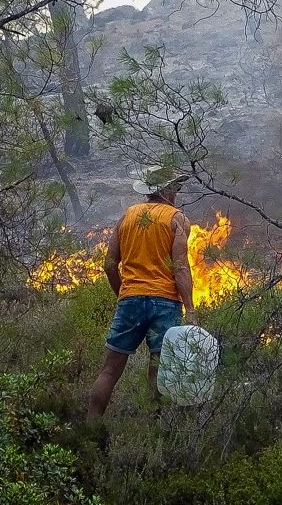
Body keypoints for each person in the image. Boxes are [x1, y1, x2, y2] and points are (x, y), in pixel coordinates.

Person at [87, 166, 195, 419]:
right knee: (158, 368)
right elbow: (180, 267)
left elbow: (109, 264)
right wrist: (190, 309)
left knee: (109, 371)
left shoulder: (127, 216)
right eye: (176, 187)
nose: (177, 192)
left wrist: (123, 294)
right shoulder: (177, 219)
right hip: (165, 303)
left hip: (130, 300)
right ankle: (154, 430)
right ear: (167, 189)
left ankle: (88, 429)